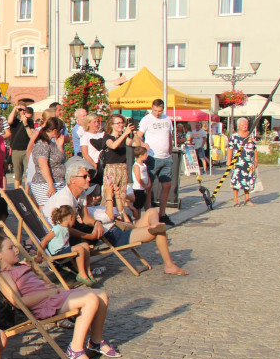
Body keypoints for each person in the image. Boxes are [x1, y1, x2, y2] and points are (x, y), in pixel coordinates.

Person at [0, 231, 119, 359]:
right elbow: (19, 302)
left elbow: (34, 285)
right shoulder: (5, 276)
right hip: (43, 305)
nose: (16, 250)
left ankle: (96, 340)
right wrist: (46, 293)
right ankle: (75, 348)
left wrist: (48, 289)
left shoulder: (21, 266)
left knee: (102, 295)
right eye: (10, 248)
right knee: (90, 300)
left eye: (15, 247)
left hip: (52, 297)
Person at [43, 158, 188, 276]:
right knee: (158, 232)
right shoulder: (65, 199)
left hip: (110, 229)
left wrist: (97, 223)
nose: (89, 179)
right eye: (85, 176)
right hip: (63, 239)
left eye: (89, 176)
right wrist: (91, 236)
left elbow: (86, 217)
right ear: (72, 180)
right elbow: (63, 230)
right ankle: (168, 263)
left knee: (153, 214)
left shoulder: (81, 195)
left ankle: (155, 227)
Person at [137, 99, 175, 224]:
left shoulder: (167, 119)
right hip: (153, 157)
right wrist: (142, 144)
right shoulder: (147, 119)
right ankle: (149, 214)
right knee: (149, 186)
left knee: (167, 185)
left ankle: (162, 213)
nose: (157, 113)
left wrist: (170, 149)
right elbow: (139, 135)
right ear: (152, 108)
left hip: (166, 157)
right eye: (155, 110)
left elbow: (169, 135)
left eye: (159, 111)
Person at [93, 114, 136, 224]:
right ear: (112, 125)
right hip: (112, 168)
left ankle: (120, 217)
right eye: (118, 123)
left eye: (122, 123)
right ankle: (105, 218)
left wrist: (135, 134)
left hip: (123, 167)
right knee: (109, 193)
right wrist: (124, 135)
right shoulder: (108, 137)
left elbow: (136, 144)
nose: (121, 125)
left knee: (121, 194)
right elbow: (113, 146)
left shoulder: (123, 138)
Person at [39, 204, 95, 286]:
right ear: (71, 217)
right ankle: (81, 273)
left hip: (64, 250)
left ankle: (88, 271)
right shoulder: (57, 229)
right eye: (75, 218)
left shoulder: (66, 229)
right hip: (58, 253)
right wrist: (39, 255)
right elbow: (44, 241)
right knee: (79, 248)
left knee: (85, 245)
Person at [30, 117, 68, 207]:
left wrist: (59, 146)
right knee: (47, 209)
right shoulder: (42, 143)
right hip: (44, 183)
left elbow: (60, 159)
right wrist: (50, 184)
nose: (62, 133)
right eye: (61, 131)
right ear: (55, 131)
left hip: (58, 182)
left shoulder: (51, 143)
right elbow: (43, 165)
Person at [226, 117, 259, 207]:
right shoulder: (234, 137)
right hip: (238, 162)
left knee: (248, 181)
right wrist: (229, 160)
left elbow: (255, 149)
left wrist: (256, 160)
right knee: (236, 180)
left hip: (249, 163)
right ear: (238, 126)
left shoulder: (250, 136)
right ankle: (236, 200)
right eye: (242, 125)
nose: (245, 126)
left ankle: (247, 199)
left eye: (246, 125)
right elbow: (230, 148)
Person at [8, 102, 35, 189]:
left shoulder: (30, 121)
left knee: (28, 174)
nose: (22, 112)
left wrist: (25, 123)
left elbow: (31, 135)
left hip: (26, 150)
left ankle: (27, 193)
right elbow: (9, 121)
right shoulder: (15, 121)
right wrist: (14, 109)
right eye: (20, 110)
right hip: (16, 150)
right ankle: (17, 192)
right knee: (18, 175)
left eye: (24, 110)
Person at [132, 146, 152, 212]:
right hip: (138, 188)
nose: (147, 155)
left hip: (144, 188)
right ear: (141, 156)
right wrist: (145, 186)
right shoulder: (136, 166)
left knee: (144, 202)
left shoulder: (144, 165)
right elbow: (138, 178)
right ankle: (136, 219)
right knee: (138, 206)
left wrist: (149, 183)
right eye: (145, 154)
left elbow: (147, 174)